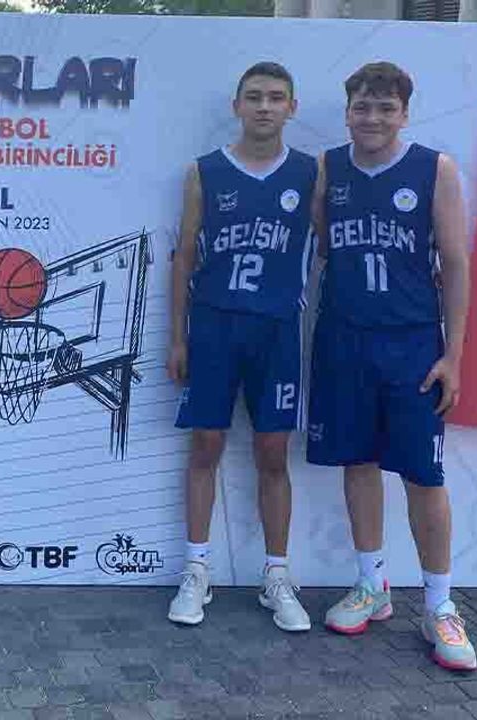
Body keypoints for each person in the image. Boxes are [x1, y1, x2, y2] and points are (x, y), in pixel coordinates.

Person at [307, 61, 476, 671]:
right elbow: (323, 248)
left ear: (404, 114)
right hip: (344, 337)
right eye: (362, 106)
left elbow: (455, 264)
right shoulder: (327, 168)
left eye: (385, 108)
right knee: (358, 462)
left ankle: (439, 604)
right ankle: (371, 582)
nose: (372, 117)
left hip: (412, 343)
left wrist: (453, 355)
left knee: (424, 476)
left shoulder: (435, 168)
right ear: (347, 111)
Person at [166, 62, 318, 631]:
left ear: (291, 107)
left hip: (277, 329)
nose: (264, 106)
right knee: (205, 445)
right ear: (236, 106)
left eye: (276, 97)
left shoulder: (311, 173)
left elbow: (335, 246)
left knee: (272, 453)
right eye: (254, 97)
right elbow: (184, 257)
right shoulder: (204, 172)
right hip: (213, 325)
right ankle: (196, 569)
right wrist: (176, 336)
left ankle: (277, 575)